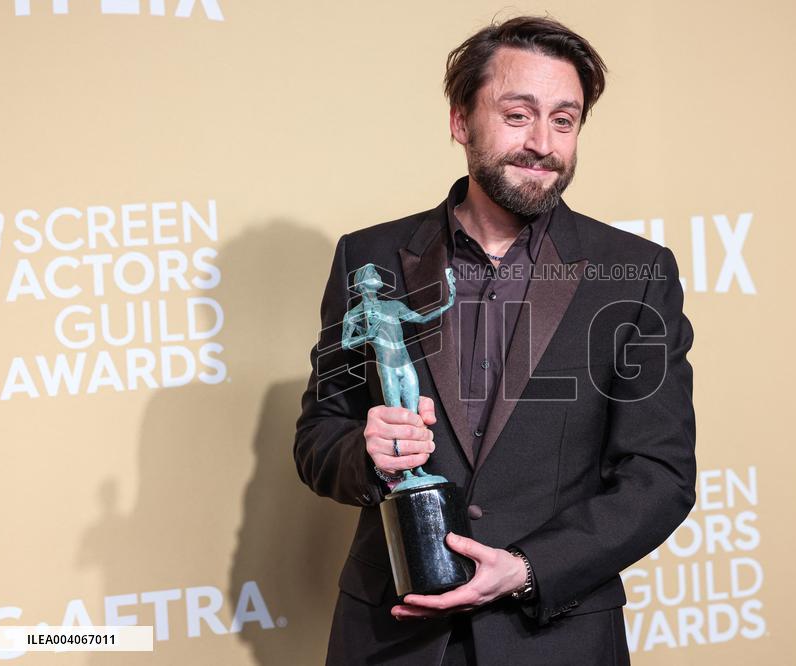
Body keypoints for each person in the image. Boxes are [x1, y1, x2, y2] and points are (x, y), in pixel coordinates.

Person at [294, 15, 697, 665]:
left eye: (564, 121)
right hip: (394, 639)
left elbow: (660, 475)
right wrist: (366, 453)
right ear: (460, 121)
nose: (543, 143)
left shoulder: (637, 273)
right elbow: (320, 434)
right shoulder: (369, 260)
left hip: (554, 637)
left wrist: (528, 568)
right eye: (518, 115)